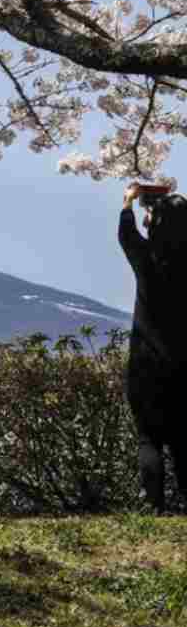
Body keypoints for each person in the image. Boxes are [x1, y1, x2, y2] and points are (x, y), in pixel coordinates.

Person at [119, 184, 187, 512]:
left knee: (149, 438)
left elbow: (126, 234)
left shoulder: (147, 260)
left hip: (146, 366)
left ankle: (153, 506)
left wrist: (130, 200)